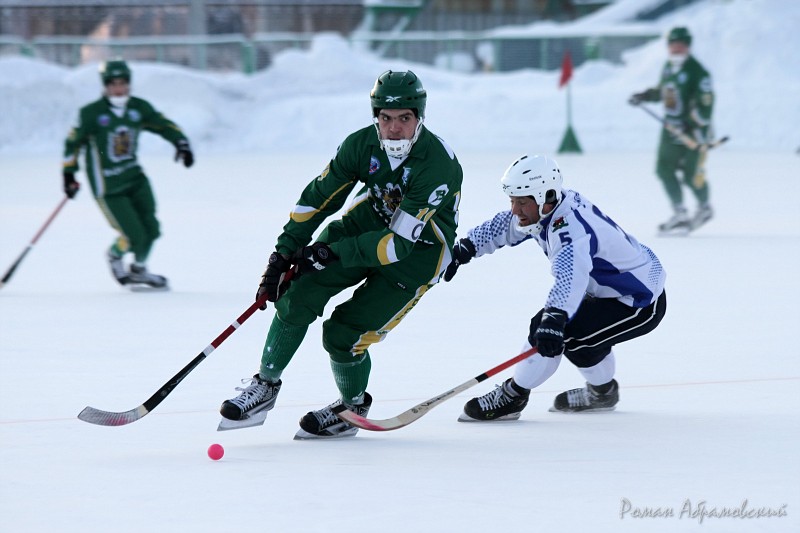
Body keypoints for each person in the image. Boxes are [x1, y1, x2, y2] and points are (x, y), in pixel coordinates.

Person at [219, 70, 463, 439]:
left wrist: (330, 252)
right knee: (297, 292)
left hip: (419, 253)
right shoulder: (360, 145)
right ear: (375, 117)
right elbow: (316, 200)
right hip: (366, 223)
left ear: (419, 117)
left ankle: (352, 405)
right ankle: (265, 385)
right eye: (385, 118)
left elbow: (397, 245)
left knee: (343, 334)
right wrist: (283, 252)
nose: (394, 128)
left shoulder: (438, 165)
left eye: (404, 119)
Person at [444, 154, 666, 421]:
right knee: (569, 337)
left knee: (558, 335)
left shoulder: (570, 230)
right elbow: (507, 225)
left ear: (544, 197)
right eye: (512, 200)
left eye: (521, 202)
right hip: (609, 291)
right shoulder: (549, 208)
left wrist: (555, 317)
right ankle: (603, 393)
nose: (515, 209)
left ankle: (513, 396)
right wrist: (467, 248)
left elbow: (570, 277)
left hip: (637, 302)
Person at [62, 58, 194, 289]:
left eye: (122, 82)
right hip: (109, 187)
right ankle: (115, 255)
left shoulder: (138, 108)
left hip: (135, 178)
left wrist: (180, 143)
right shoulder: (91, 114)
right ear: (105, 85)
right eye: (113, 83)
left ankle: (139, 269)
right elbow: (72, 144)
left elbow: (162, 124)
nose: (118, 88)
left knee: (152, 229)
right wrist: (69, 174)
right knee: (134, 235)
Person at [629, 26, 714, 235]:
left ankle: (704, 207)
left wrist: (691, 124)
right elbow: (664, 92)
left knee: (691, 176)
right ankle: (680, 213)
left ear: (687, 46)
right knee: (663, 169)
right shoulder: (668, 67)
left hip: (693, 133)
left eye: (680, 44)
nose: (675, 48)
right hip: (670, 129)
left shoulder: (698, 73)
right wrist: (645, 96)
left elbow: (706, 106)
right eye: (672, 44)